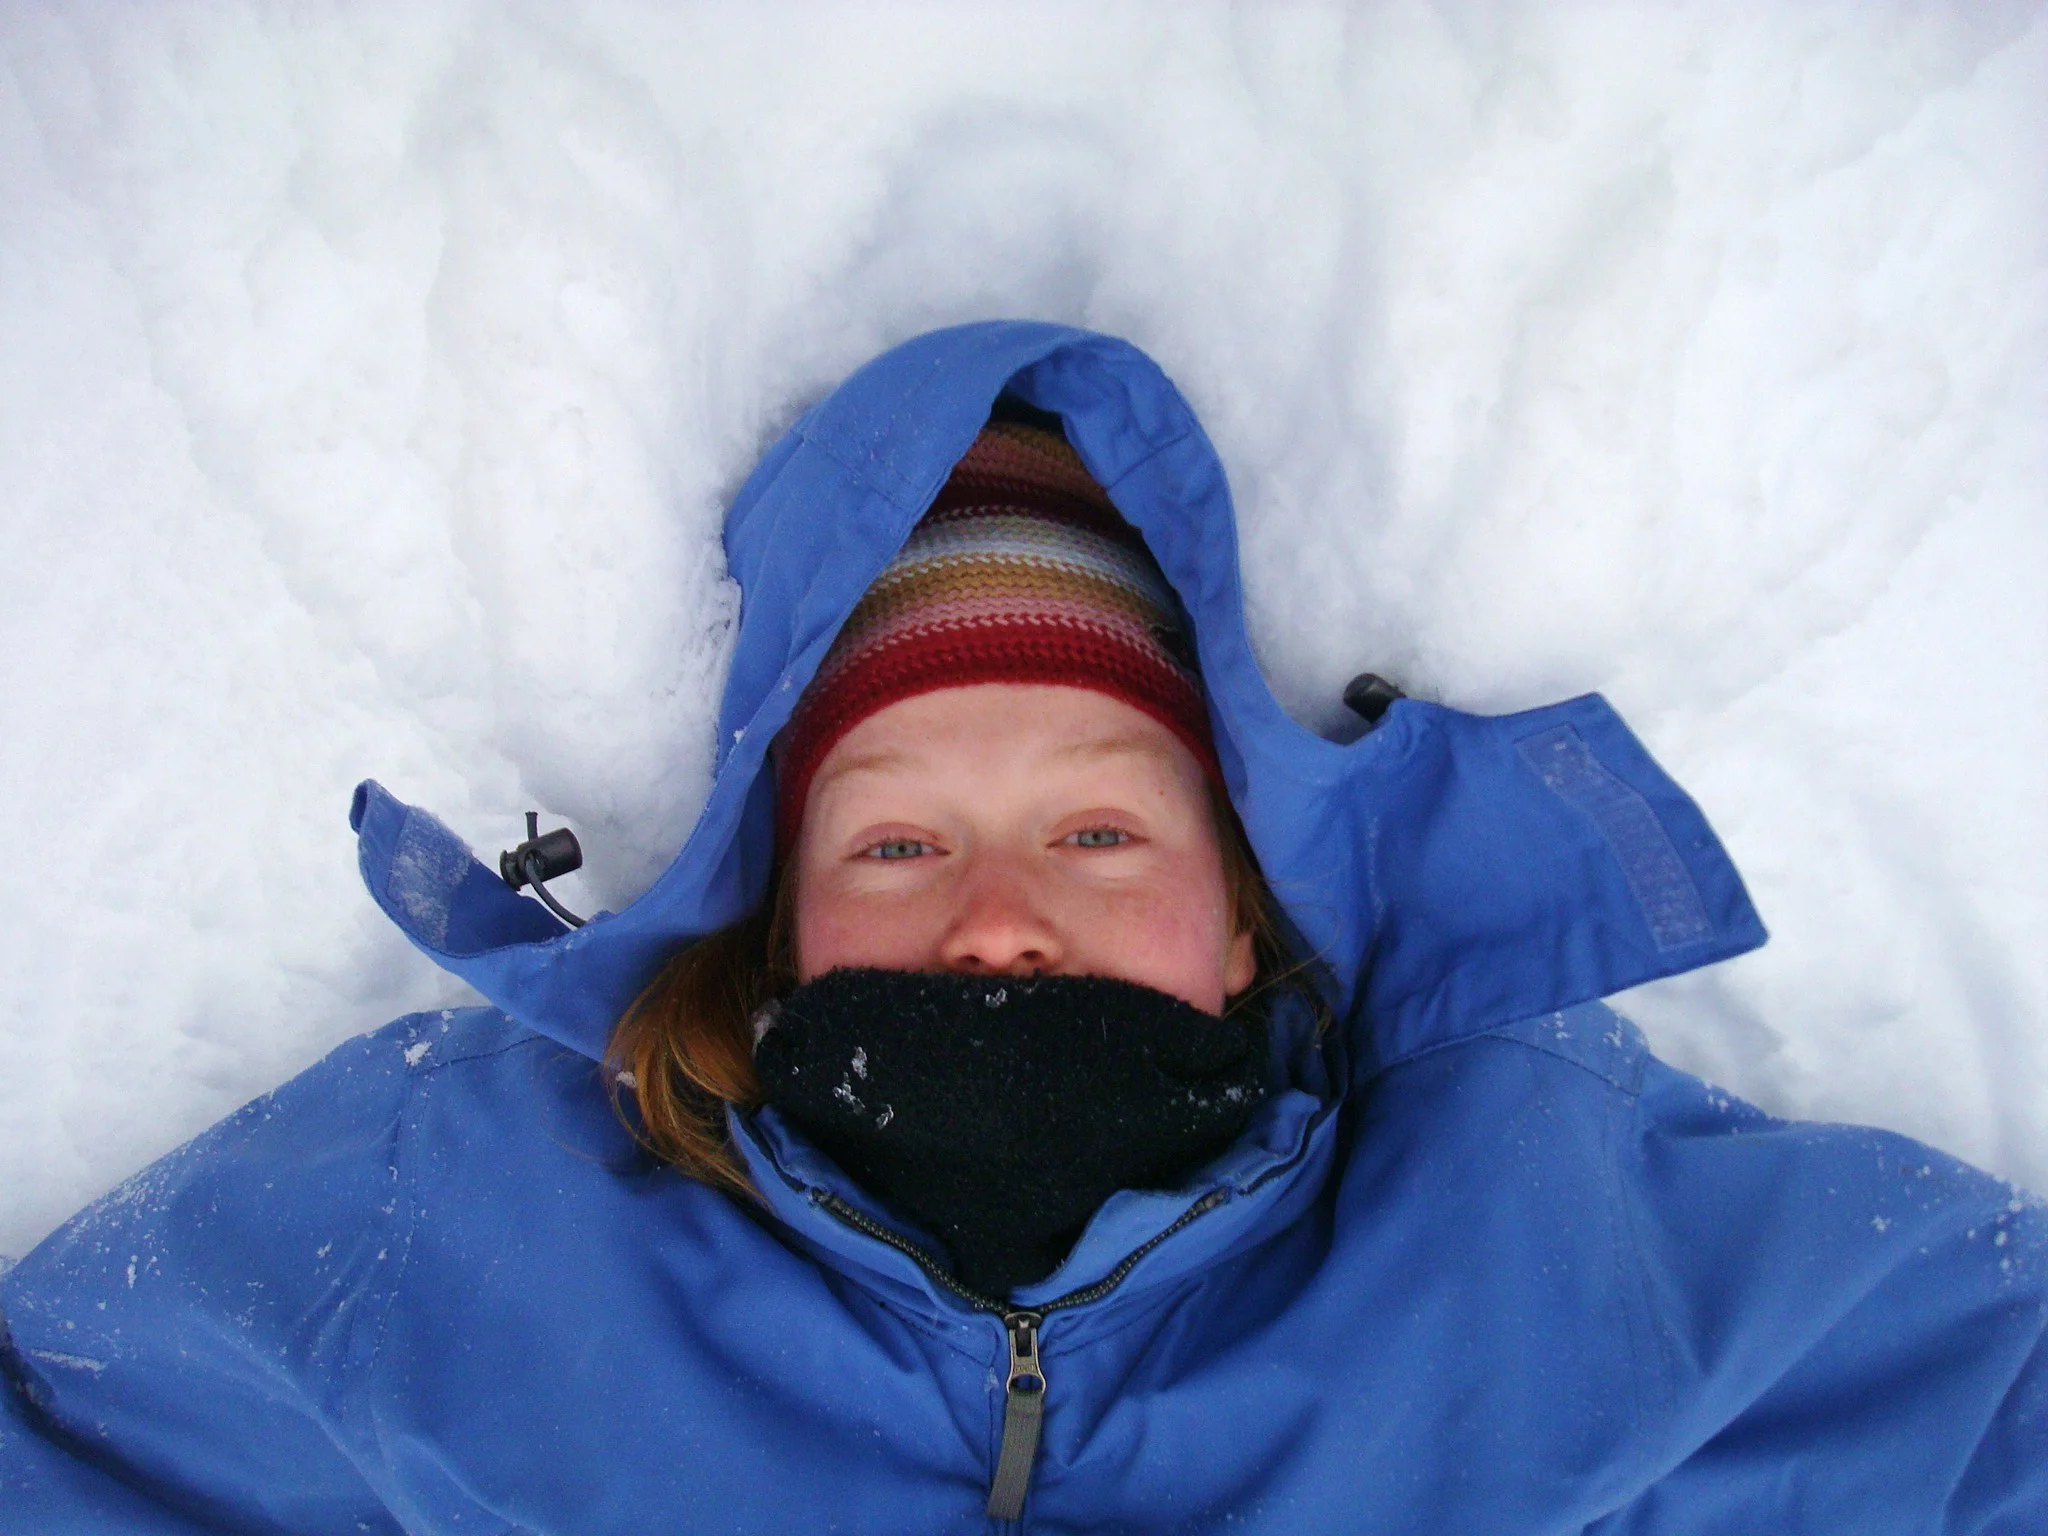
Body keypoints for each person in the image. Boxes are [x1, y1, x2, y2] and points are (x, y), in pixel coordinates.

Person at [2, 322, 2041, 1532]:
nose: (997, 922)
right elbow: (79, 1429)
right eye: (894, 846)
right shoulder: (459, 1203)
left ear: (1241, 919)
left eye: (1092, 825)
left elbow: (1980, 1397)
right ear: (772, 925)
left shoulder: (1531, 1206)